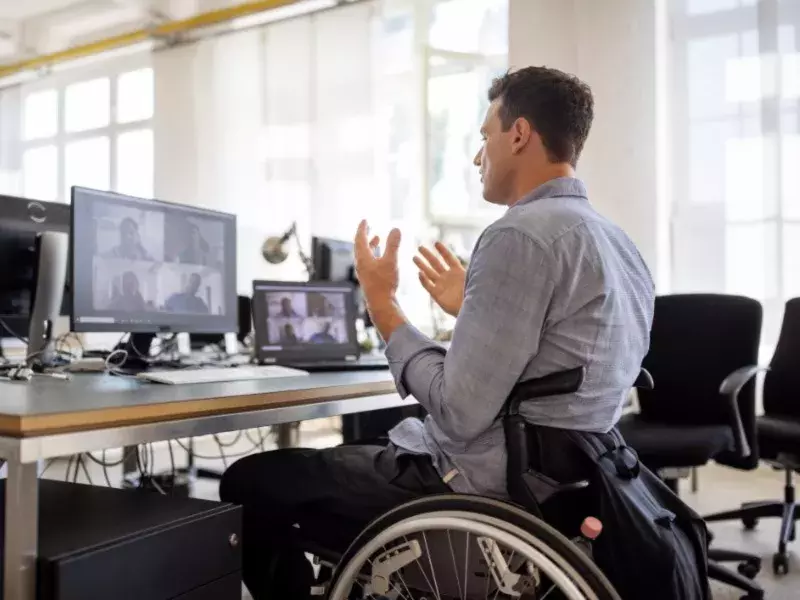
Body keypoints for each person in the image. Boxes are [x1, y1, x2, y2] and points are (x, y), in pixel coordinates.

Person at [219, 66, 655, 599]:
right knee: (356, 445)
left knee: (251, 483)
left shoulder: (518, 234)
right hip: (565, 480)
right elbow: (557, 363)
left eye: (483, 138)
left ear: (518, 134)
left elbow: (459, 410)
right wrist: (471, 310)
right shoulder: (618, 243)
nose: (478, 157)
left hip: (475, 485)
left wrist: (383, 305)